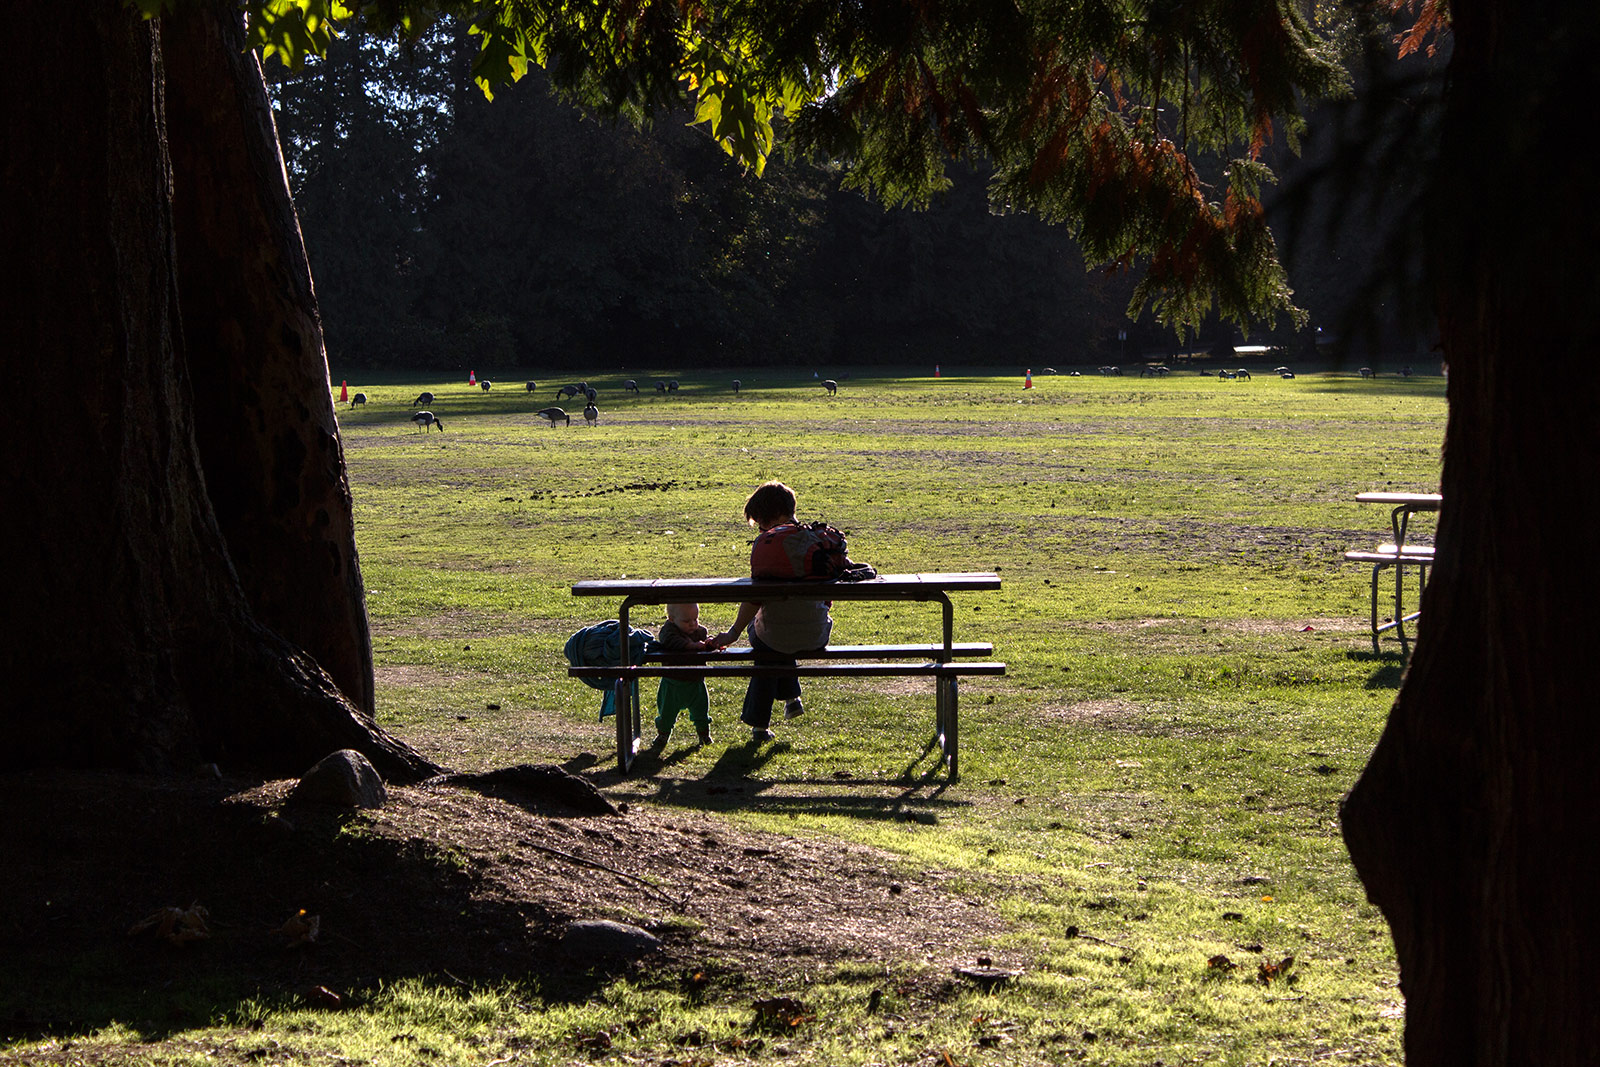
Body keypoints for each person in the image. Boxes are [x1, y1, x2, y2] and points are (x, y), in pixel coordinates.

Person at [710, 481, 833, 741]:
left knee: (767, 643)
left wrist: (733, 633)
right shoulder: (819, 539)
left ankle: (759, 725)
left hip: (775, 638)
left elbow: (755, 598)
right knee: (779, 634)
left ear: (769, 517)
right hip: (817, 633)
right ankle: (791, 697)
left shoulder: (768, 545)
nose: (761, 531)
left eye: (760, 523)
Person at [654, 602, 718, 746]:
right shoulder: (668, 631)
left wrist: (710, 643)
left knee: (701, 711)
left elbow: (705, 641)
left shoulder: (699, 632)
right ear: (672, 619)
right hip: (672, 681)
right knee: (666, 713)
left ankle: (704, 733)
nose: (692, 624)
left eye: (695, 619)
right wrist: (692, 646)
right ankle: (663, 734)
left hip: (696, 680)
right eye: (687, 621)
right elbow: (672, 642)